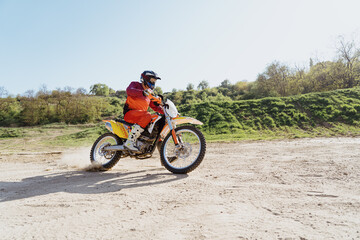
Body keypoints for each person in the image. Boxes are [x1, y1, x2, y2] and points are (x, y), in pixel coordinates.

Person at [123, 70, 164, 151]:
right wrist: (142, 92)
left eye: (154, 81)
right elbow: (129, 91)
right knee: (148, 115)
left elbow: (155, 107)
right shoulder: (135, 85)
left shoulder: (150, 93)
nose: (153, 83)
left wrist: (165, 110)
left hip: (141, 116)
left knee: (157, 120)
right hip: (130, 114)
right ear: (145, 79)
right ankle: (129, 142)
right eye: (152, 80)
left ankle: (164, 156)